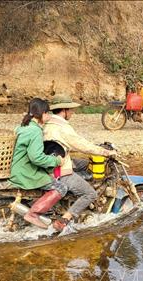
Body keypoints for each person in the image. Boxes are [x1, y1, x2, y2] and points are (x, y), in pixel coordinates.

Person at [44, 94, 117, 231]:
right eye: (70, 110)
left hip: (53, 162)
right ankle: (64, 219)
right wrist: (105, 152)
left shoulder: (48, 123)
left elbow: (75, 142)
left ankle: (77, 200)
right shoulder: (62, 127)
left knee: (85, 164)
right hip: (59, 170)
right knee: (90, 194)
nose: (72, 112)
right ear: (64, 110)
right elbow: (81, 145)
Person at [9, 98, 67, 229]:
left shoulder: (23, 126)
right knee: (61, 188)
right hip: (26, 173)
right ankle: (33, 214)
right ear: (42, 113)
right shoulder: (35, 131)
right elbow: (36, 158)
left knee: (49, 178)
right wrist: (56, 160)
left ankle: (39, 210)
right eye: (48, 113)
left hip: (18, 168)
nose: (49, 116)